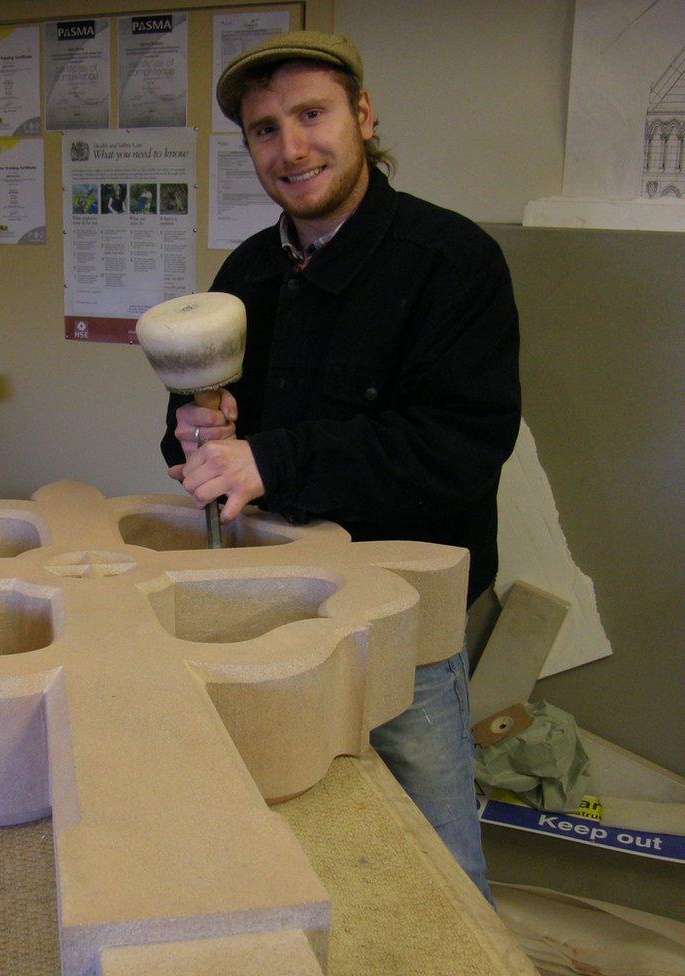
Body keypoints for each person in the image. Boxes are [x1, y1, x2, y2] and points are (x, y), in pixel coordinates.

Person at [159, 31, 520, 902]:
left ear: (362, 115)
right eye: (264, 130)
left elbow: (457, 450)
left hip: (402, 623)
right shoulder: (248, 270)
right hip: (270, 606)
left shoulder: (451, 262)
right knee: (286, 834)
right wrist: (194, 433)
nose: (291, 148)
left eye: (312, 115)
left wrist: (271, 456)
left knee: (438, 867)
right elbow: (198, 447)